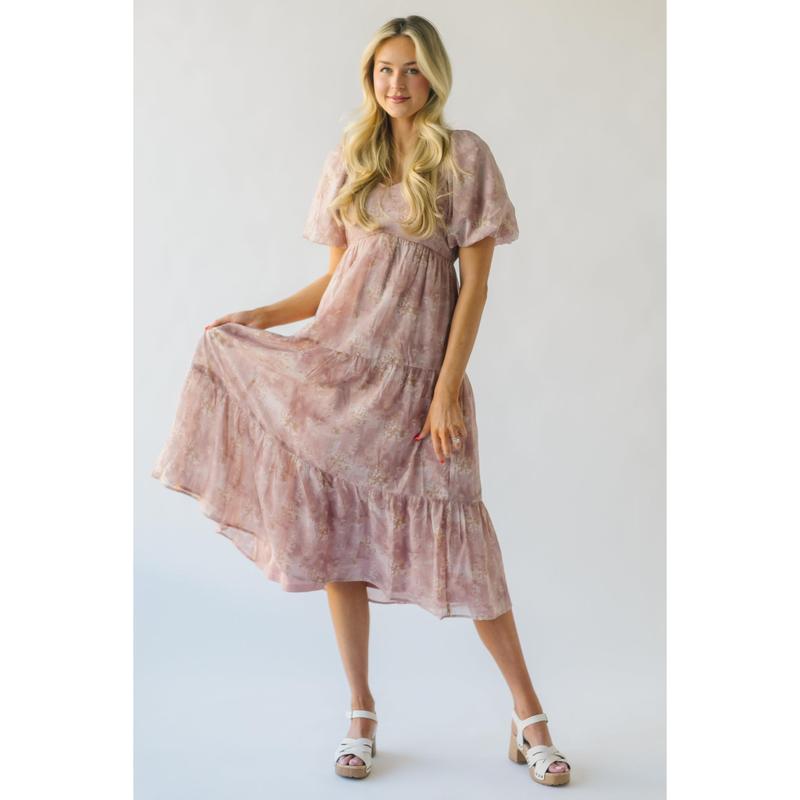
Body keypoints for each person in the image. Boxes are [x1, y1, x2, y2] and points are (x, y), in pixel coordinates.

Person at [151, 14, 571, 786]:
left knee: (469, 549)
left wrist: (445, 392)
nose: (396, 83)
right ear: (369, 78)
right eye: (384, 69)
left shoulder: (464, 157)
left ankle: (528, 716)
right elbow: (337, 282)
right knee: (339, 539)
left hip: (419, 385)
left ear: (433, 76)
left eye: (410, 69)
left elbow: (475, 287)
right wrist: (263, 315)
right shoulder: (351, 157)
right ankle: (361, 711)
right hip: (340, 378)